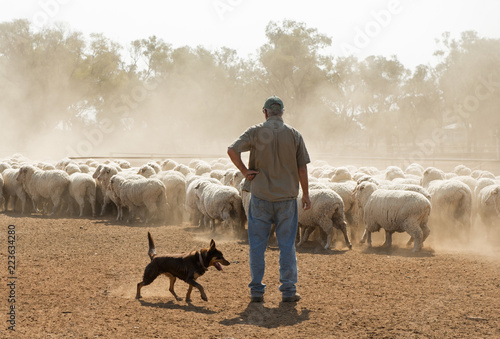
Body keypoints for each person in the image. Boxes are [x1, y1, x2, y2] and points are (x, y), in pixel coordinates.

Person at [227, 95, 311, 303]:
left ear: (265, 112)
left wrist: (245, 171)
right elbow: (302, 167)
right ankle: (288, 291)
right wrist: (306, 194)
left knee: (257, 245)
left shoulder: (255, 132)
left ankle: (257, 291)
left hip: (261, 198)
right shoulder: (294, 135)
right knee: (286, 245)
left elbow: (232, 149)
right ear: (282, 112)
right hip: (286, 199)